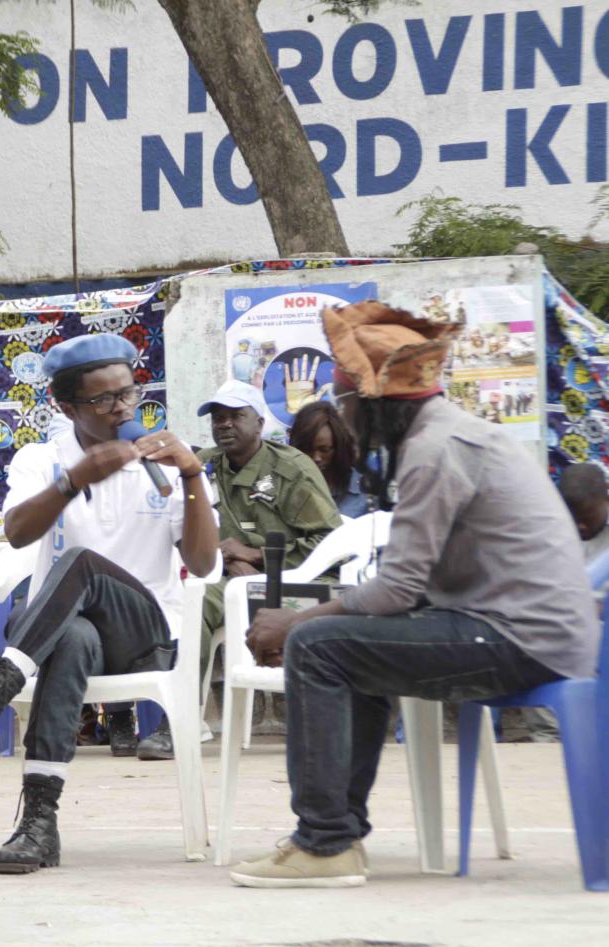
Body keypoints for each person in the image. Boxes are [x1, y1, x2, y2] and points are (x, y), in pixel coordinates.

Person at [233, 301, 598, 888]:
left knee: (319, 646)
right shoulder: (451, 433)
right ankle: (338, 834)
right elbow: (411, 587)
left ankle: (325, 843)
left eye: (347, 403)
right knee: (345, 645)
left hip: (520, 639)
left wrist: (295, 623)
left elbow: (398, 590)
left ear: (376, 404)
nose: (345, 418)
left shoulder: (434, 450)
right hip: (529, 631)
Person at [0, 334, 219, 874]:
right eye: (102, 400)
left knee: (82, 563)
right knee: (73, 637)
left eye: (128, 394)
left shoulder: (166, 462)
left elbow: (201, 564)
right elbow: (16, 533)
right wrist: (75, 479)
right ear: (66, 408)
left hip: (143, 635)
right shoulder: (43, 460)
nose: (121, 408)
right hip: (65, 636)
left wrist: (192, 474)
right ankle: (39, 823)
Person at [197, 379, 342, 749]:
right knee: (191, 602)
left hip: (298, 579)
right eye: (217, 417)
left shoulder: (291, 469)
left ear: (260, 423)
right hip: (230, 580)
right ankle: (181, 718)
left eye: (235, 416)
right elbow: (182, 527)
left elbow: (329, 542)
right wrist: (228, 560)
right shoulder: (204, 466)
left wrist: (257, 557)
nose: (224, 424)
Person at [288, 400, 368, 519]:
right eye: (308, 450)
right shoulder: (285, 489)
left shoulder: (365, 492)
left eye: (324, 450)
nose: (316, 458)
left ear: (339, 448)